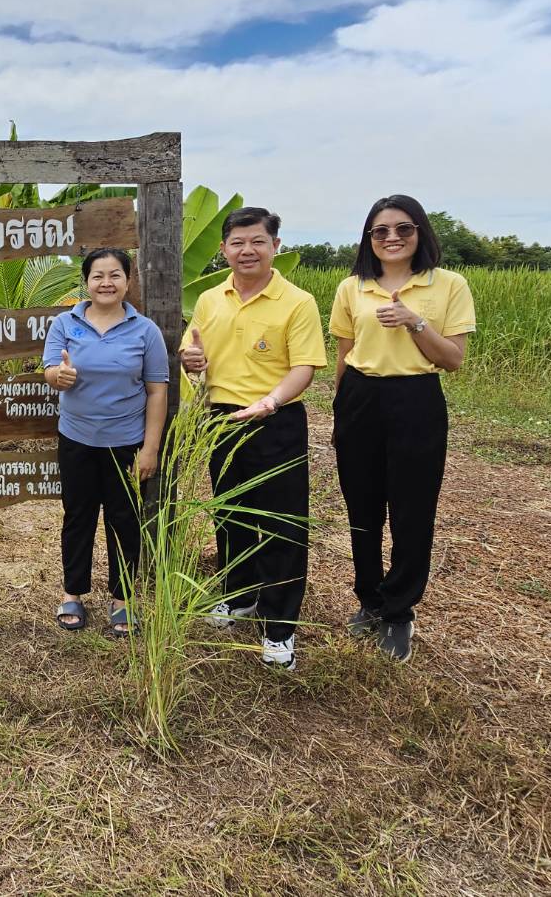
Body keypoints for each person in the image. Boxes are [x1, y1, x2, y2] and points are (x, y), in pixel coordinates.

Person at [330, 195, 474, 664]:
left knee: (412, 510)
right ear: (368, 238)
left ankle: (399, 610)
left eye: (403, 229)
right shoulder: (353, 287)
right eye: (380, 231)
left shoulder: (447, 284)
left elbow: (452, 360)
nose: (391, 238)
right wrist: (339, 411)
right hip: (359, 397)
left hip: (416, 399)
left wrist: (415, 321)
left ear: (420, 234)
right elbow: (344, 355)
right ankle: (369, 600)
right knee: (361, 508)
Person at [181, 207, 325, 670]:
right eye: (237, 242)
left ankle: (279, 628)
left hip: (274, 419)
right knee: (230, 515)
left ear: (275, 246)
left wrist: (271, 401)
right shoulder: (209, 299)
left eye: (257, 241)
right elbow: (194, 353)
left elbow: (304, 366)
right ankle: (238, 595)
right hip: (220, 418)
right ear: (222, 249)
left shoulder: (297, 301)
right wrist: (192, 362)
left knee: (283, 524)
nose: (247, 250)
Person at [42, 248, 169, 637]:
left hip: (127, 442)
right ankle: (73, 593)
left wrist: (150, 448)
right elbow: (50, 369)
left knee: (124, 520)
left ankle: (123, 599)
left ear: (128, 281)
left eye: (115, 275)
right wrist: (57, 377)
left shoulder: (145, 331)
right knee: (77, 517)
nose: (106, 283)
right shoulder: (66, 322)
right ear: (87, 282)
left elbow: (157, 391)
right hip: (77, 438)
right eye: (98, 276)